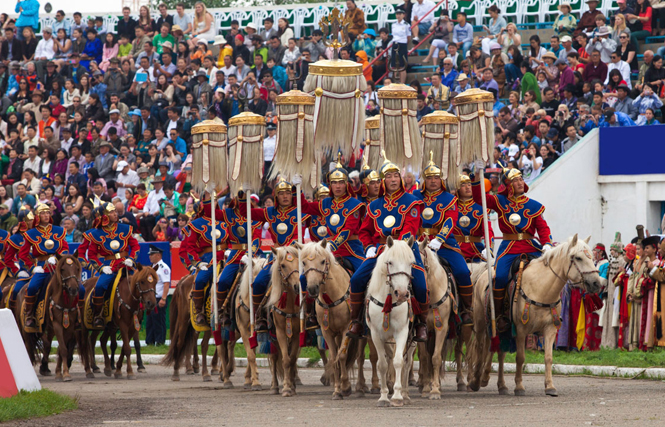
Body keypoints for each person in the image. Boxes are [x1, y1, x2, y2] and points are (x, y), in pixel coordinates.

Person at [347, 155, 429, 341]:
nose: (393, 180)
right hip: (379, 249)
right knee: (357, 279)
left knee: (421, 285)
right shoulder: (374, 205)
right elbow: (364, 230)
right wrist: (368, 246)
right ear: (383, 181)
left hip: (406, 249)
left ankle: (421, 324)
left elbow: (410, 229)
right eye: (389, 177)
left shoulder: (412, 201)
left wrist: (395, 248)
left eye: (396, 176)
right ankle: (357, 321)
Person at [471, 163, 553, 332]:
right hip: (509, 247)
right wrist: (477, 175)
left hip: (531, 246)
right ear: (508, 186)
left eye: (521, 179)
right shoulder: (500, 201)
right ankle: (500, 315)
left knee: (549, 272)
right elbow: (480, 199)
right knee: (499, 277)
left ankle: (548, 311)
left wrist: (547, 243)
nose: (520, 182)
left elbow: (543, 228)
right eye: (515, 180)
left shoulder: (535, 205)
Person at [298, 160, 365, 328]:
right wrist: (297, 187)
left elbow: (347, 231)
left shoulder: (355, 205)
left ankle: (363, 315)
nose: (337, 186)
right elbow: (305, 207)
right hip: (327, 251)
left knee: (364, 277)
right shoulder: (326, 203)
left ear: (346, 184)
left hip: (351, 250)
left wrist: (331, 247)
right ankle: (312, 314)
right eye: (334, 183)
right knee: (304, 278)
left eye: (341, 182)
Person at [238, 178, 310, 332]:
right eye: (281, 193)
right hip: (277, 256)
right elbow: (246, 213)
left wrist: (300, 190)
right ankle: (260, 317)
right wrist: (243, 195)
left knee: (311, 280)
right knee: (258, 283)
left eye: (288, 193)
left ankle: (311, 316)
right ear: (276, 196)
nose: (285, 196)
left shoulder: (300, 209)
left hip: (297, 254)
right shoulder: (269, 212)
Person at [414, 157, 474, 324]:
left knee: (462, 272)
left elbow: (450, 221)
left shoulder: (450, 198)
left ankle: (466, 309)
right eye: (430, 178)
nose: (433, 181)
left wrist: (439, 239)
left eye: (436, 178)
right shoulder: (415, 196)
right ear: (424, 180)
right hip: (418, 242)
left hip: (444, 243)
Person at [80, 201, 139, 328]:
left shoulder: (125, 228)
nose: (115, 214)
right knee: (100, 286)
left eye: (114, 211)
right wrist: (101, 267)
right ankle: (98, 315)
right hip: (109, 266)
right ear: (104, 216)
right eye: (111, 212)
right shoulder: (95, 233)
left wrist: (132, 259)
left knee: (140, 284)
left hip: (126, 264)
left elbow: (135, 246)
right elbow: (91, 255)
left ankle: (139, 313)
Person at [179, 194, 229, 327]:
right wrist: (197, 262)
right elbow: (189, 247)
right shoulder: (196, 224)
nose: (212, 204)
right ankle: (199, 311)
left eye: (214, 201)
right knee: (200, 280)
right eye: (209, 202)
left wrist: (230, 250)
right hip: (207, 259)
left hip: (226, 256)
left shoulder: (225, 221)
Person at [19, 203, 70, 328]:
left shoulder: (58, 230)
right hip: (42, 267)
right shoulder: (31, 233)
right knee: (32, 288)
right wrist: (33, 267)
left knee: (76, 285)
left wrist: (57, 258)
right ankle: (30, 315)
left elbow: (65, 248)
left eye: (48, 213)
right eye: (43, 213)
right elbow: (23, 254)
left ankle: (77, 315)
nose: (46, 215)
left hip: (58, 265)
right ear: (38, 216)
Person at [216, 192, 263, 326]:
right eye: (239, 196)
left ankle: (263, 314)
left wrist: (249, 254)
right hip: (235, 255)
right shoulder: (229, 213)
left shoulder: (256, 214)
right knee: (223, 280)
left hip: (253, 255)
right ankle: (222, 312)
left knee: (264, 280)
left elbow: (256, 238)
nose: (241, 200)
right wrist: (217, 195)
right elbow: (210, 212)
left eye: (244, 197)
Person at [4, 208, 35, 312]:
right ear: (24, 222)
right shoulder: (15, 238)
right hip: (25, 273)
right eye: (30, 220)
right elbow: (8, 259)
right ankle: (14, 315)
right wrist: (18, 272)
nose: (33, 221)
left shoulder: (38, 234)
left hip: (42, 269)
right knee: (16, 291)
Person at [146, 244, 170, 346]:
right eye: (149, 255)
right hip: (151, 298)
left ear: (158, 255)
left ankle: (160, 341)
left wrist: (163, 299)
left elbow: (166, 284)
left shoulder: (163, 268)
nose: (150, 256)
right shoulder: (151, 268)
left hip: (159, 298)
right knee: (150, 321)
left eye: (152, 254)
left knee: (159, 321)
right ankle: (150, 341)